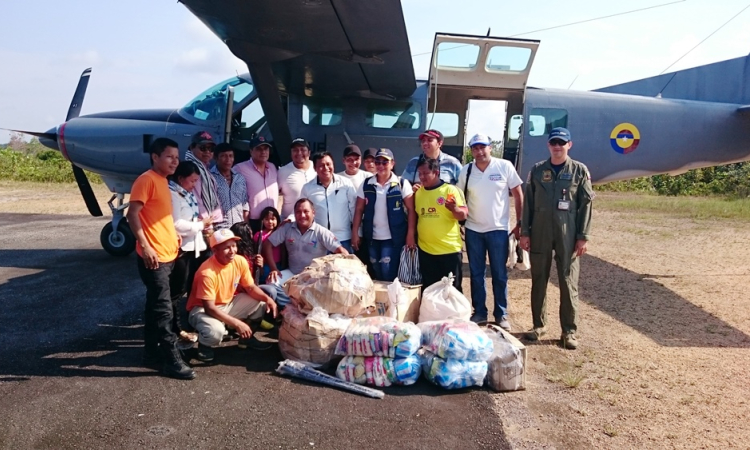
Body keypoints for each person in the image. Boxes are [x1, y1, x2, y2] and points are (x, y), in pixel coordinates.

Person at [126, 137, 195, 380]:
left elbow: (159, 216)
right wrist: (145, 246)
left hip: (168, 253)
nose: (175, 161)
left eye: (177, 157)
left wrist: (172, 236)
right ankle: (171, 360)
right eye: (169, 156)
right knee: (163, 308)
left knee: (153, 306)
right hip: (153, 257)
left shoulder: (163, 181)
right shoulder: (146, 179)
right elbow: (132, 214)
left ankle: (151, 354)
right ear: (155, 157)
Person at [520, 127, 594, 350]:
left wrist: (582, 237)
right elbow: (528, 204)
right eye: (554, 142)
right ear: (548, 145)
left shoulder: (579, 171)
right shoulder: (537, 170)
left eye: (562, 142)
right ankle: (538, 326)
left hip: (567, 232)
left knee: (568, 282)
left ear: (569, 145)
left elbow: (586, 205)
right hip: (541, 231)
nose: (557, 146)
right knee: (539, 280)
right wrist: (525, 232)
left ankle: (569, 331)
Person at [459, 134, 524, 331]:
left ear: (490, 148)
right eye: (475, 148)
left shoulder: (504, 166)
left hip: (498, 230)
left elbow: (518, 194)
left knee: (499, 274)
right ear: (471, 151)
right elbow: (459, 196)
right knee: (477, 274)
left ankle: (501, 314)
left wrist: (520, 223)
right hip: (473, 230)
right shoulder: (466, 170)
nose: (479, 152)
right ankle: (479, 312)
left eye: (483, 147)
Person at [187, 229, 278, 362]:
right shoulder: (206, 272)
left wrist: (268, 299)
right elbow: (209, 308)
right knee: (215, 332)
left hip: (227, 304)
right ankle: (204, 345)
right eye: (226, 248)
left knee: (261, 303)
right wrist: (237, 324)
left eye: (234, 246)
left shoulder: (239, 261)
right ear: (214, 250)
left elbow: (251, 288)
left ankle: (246, 338)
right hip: (202, 310)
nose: (232, 251)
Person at [351, 149, 416, 282]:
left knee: (388, 272)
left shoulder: (401, 184)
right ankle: (381, 300)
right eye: (378, 162)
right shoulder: (366, 184)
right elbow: (359, 209)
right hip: (372, 237)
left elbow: (411, 210)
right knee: (375, 270)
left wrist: (410, 234)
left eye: (385, 162)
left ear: (392, 163)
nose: (380, 165)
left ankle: (388, 300)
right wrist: (355, 232)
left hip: (393, 238)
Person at [168, 161, 211, 347]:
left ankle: (190, 322)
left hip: (194, 246)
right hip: (182, 249)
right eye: (192, 181)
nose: (194, 185)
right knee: (177, 291)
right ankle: (174, 328)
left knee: (193, 287)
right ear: (180, 178)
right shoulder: (173, 194)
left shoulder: (185, 193)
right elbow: (176, 223)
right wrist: (201, 225)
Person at [263, 198, 349, 285]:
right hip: (293, 274)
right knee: (272, 282)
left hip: (315, 278)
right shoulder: (287, 228)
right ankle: (291, 298)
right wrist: (274, 268)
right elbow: (267, 244)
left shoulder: (321, 232)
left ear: (313, 213)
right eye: (298, 212)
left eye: (306, 211)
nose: (302, 215)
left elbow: (342, 251)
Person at [414, 157, 467, 292]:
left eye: (425, 173)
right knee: (430, 291)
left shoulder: (450, 190)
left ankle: (454, 314)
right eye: (419, 173)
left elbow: (463, 216)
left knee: (451, 291)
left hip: (449, 251)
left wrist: (455, 209)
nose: (422, 177)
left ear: (436, 172)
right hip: (426, 252)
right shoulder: (418, 193)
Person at [300, 151, 357, 252]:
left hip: (343, 239)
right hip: (319, 240)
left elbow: (354, 209)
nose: (326, 168)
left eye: (328, 164)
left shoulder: (346, 184)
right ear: (315, 168)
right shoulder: (308, 188)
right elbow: (303, 212)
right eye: (321, 165)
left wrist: (357, 233)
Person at [233, 136, 279, 234]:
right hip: (253, 222)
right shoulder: (239, 168)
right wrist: (245, 223)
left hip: (271, 222)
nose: (263, 152)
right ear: (251, 151)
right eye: (259, 149)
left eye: (266, 149)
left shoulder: (272, 167)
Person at [338, 145, 372, 269]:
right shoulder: (337, 178)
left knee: (365, 262)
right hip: (345, 227)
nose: (353, 163)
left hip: (365, 226)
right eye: (349, 159)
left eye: (356, 159)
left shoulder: (368, 177)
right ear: (343, 160)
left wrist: (358, 232)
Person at [185, 131, 224, 229]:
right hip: (203, 224)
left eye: (211, 149)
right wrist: (206, 223)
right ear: (192, 147)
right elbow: (196, 197)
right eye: (203, 148)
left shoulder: (204, 168)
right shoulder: (192, 168)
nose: (207, 152)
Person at [211, 143, 249, 227]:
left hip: (239, 229)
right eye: (223, 156)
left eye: (230, 156)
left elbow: (245, 205)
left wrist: (246, 226)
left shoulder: (239, 178)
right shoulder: (210, 178)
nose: (228, 160)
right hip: (220, 230)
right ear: (216, 158)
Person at [277, 138, 316, 219]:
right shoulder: (282, 171)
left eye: (303, 149)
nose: (299, 153)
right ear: (291, 153)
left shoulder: (318, 168)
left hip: (315, 223)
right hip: (290, 224)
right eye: (295, 150)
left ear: (309, 152)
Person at [253, 206, 285, 283]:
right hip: (265, 265)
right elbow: (255, 251)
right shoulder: (259, 235)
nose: (270, 222)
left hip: (280, 264)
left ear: (277, 219)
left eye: (273, 219)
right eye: (266, 219)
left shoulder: (280, 232)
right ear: (262, 221)